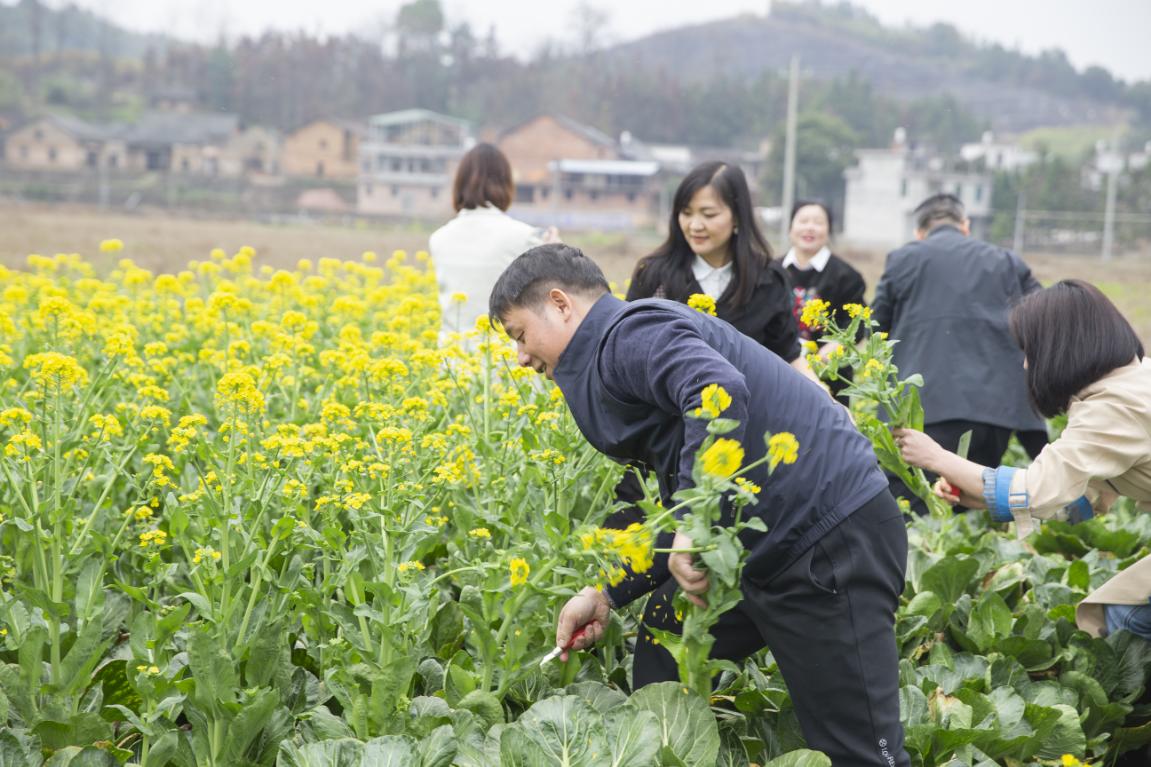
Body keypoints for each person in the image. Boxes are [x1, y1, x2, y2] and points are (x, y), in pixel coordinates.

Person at [490, 243, 910, 767]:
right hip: (766, 546)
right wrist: (605, 592)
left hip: (828, 540)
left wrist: (694, 523)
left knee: (859, 750)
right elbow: (663, 491)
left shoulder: (630, 333)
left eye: (520, 335)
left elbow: (717, 387)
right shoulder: (613, 353)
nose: (521, 357)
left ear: (560, 304)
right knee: (666, 638)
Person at [893, 280, 1150, 639]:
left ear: (1060, 348)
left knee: (1125, 620)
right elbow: (1079, 499)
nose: (1027, 364)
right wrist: (978, 497)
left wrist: (937, 457)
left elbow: (1033, 492)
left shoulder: (1113, 409)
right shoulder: (1132, 382)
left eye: (1031, 351)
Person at [870, 192, 1046, 512]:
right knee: (973, 503)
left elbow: (875, 328)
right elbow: (1047, 317)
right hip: (995, 410)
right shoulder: (1007, 261)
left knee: (913, 511)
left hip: (923, 408)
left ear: (920, 232)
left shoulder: (903, 259)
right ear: (965, 226)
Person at [626, 162, 821, 385]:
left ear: (737, 216)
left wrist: (826, 399)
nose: (695, 225)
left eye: (708, 214)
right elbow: (627, 346)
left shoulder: (768, 280)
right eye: (686, 213)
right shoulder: (654, 276)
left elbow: (788, 355)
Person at [429, 142, 558, 340]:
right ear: (506, 184)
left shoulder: (438, 238)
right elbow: (551, 303)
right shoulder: (526, 237)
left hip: (451, 354)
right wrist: (555, 252)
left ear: (459, 184)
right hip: (503, 355)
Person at [782, 200, 867, 401]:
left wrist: (833, 348)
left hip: (830, 377)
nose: (810, 227)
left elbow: (856, 324)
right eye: (803, 221)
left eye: (818, 222)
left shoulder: (846, 276)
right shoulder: (771, 272)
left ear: (829, 230)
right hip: (781, 373)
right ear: (790, 228)